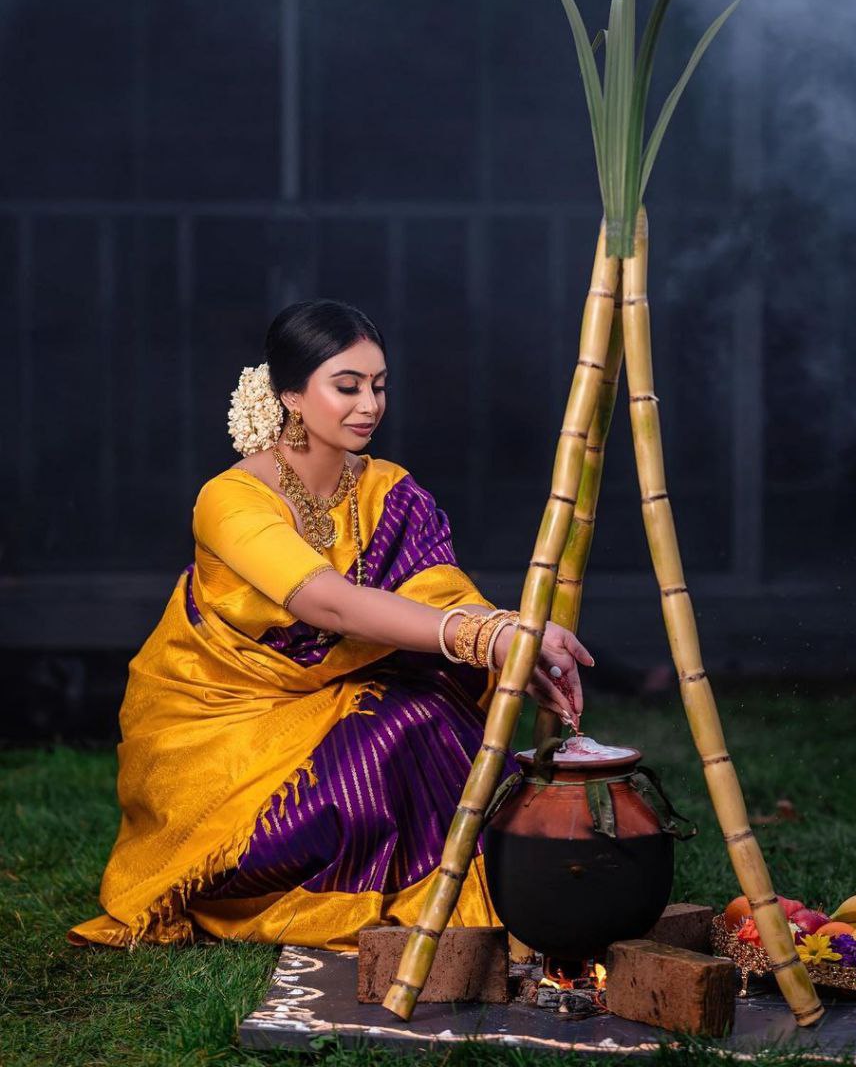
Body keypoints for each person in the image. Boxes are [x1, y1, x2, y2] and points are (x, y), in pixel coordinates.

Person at [69, 299, 592, 950]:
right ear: (290, 394)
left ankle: (452, 884)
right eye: (346, 387)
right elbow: (328, 605)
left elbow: (439, 594)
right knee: (393, 723)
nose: (368, 404)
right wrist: (485, 638)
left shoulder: (391, 491)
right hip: (230, 735)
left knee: (421, 710)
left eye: (378, 386)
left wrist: (513, 649)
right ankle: (326, 887)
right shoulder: (230, 500)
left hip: (345, 706)